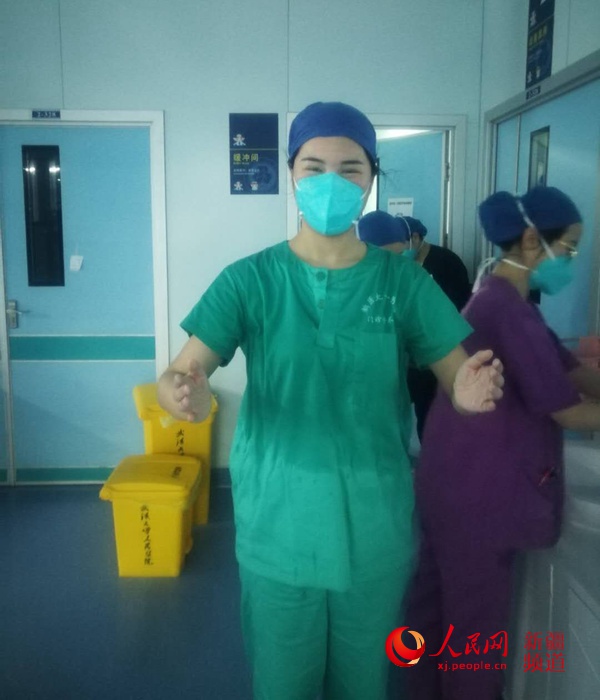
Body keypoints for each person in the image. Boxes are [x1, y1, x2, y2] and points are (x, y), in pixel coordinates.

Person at [157, 101, 504, 700]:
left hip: (374, 524)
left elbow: (457, 373)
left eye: (350, 169)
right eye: (314, 167)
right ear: (291, 173)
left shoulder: (402, 282)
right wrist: (179, 391)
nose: (331, 183)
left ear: (371, 179)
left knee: (363, 683)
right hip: (279, 524)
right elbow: (183, 370)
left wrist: (468, 393)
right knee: (282, 683)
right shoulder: (249, 280)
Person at [405, 186, 600, 700]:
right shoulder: (508, 312)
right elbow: (566, 407)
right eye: (571, 248)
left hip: (452, 485)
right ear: (533, 241)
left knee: (433, 611)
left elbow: (571, 371)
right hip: (480, 498)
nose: (573, 260)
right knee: (473, 634)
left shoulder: (501, 300)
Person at [403, 216, 472, 441]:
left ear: (415, 237)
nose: (400, 251)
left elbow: (456, 309)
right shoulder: (402, 266)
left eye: (403, 243)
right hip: (408, 359)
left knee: (429, 417)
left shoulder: (446, 262)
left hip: (434, 356)